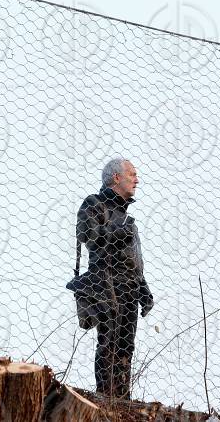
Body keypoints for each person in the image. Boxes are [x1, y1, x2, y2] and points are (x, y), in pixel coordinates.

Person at [72, 158, 154, 399]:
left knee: (126, 346)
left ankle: (122, 399)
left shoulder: (126, 217)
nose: (137, 180)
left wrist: (143, 289)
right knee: (109, 342)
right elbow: (88, 236)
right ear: (116, 178)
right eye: (132, 174)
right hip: (107, 285)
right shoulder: (94, 204)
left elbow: (133, 262)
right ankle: (106, 398)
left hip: (129, 289)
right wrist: (119, 232)